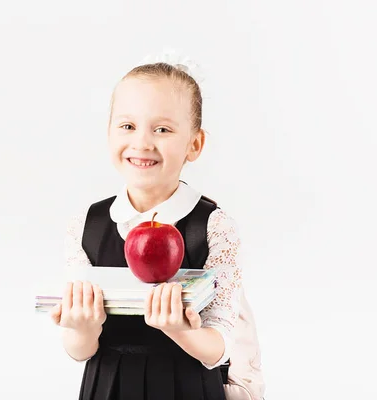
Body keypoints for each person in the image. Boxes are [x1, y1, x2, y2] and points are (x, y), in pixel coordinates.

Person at [50, 52, 247, 400]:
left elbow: (222, 347)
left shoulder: (212, 226)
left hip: (187, 386)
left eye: (162, 129)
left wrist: (180, 330)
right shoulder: (87, 225)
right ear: (109, 132)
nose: (142, 142)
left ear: (195, 144)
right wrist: (83, 327)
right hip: (106, 386)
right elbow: (79, 350)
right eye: (127, 126)